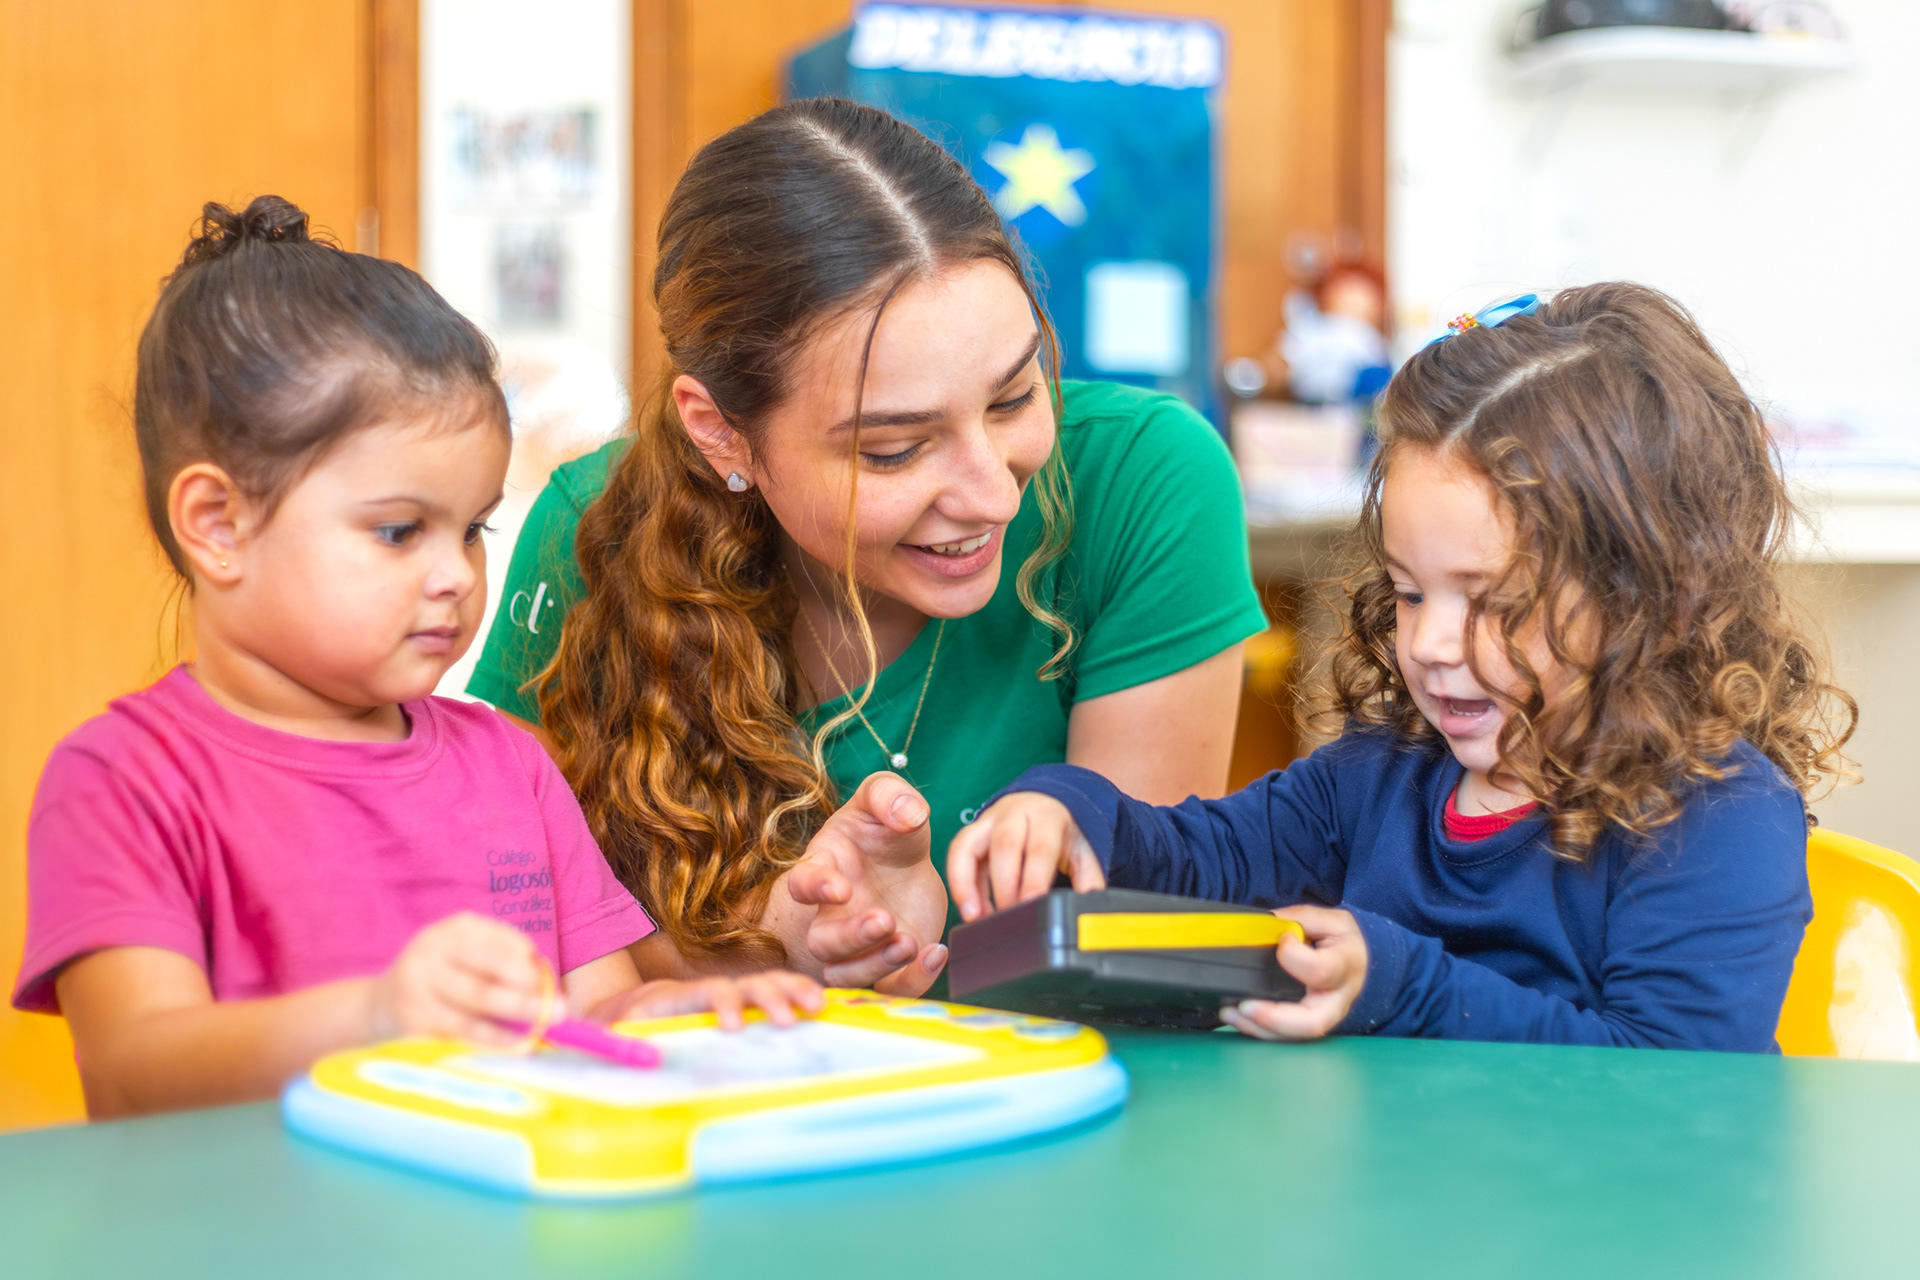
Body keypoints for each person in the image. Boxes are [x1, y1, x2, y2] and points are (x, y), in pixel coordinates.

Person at [11, 198, 821, 1118]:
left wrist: (685, 1017)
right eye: (399, 532)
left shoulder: (511, 768)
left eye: (472, 529)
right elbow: (133, 1072)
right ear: (218, 524)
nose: (454, 576)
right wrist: (375, 1018)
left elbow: (595, 1015)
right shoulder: (122, 779)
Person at [468, 98, 1268, 984]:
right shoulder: (593, 531)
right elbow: (519, 930)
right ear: (722, 432)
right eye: (894, 449)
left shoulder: (1144, 474)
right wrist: (773, 951)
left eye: (1013, 396)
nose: (995, 492)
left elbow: (1127, 949)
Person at [948, 283, 1856, 1052]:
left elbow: (1673, 1081)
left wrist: (1403, 985)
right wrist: (1073, 810)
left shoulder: (1719, 818)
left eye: (1493, 602)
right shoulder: (1383, 772)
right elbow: (1207, 855)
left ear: (1663, 597)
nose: (1428, 644)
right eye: (1411, 592)